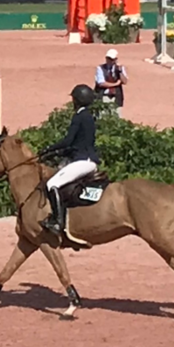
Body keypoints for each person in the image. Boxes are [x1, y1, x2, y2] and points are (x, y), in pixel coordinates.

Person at [37, 84, 100, 236]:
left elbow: (68, 140)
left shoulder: (79, 116)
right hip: (88, 159)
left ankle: (58, 222)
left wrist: (49, 149)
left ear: (77, 100)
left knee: (52, 184)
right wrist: (61, 153)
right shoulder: (89, 116)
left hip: (82, 161)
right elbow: (80, 142)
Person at [94, 49, 128, 117]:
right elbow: (101, 83)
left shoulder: (120, 68)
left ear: (115, 59)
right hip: (104, 96)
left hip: (116, 96)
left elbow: (125, 81)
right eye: (108, 58)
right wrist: (116, 84)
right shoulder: (100, 68)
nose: (109, 61)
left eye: (112, 59)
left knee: (117, 116)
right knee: (103, 116)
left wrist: (120, 71)